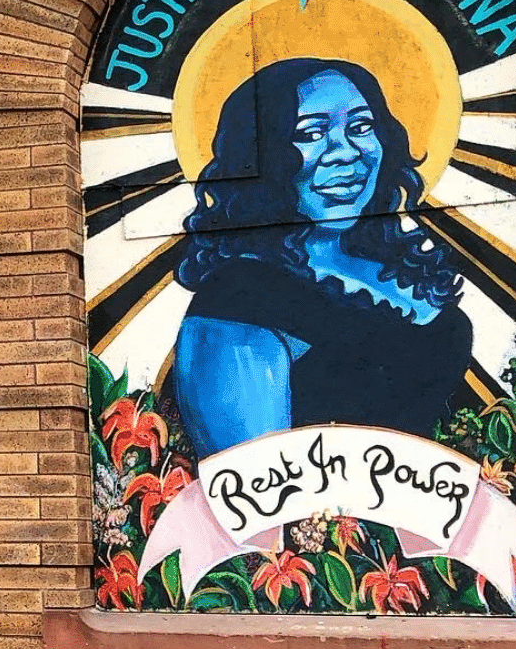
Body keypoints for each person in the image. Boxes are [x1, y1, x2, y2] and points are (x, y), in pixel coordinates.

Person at [172, 58, 471, 458]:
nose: (345, 152)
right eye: (310, 133)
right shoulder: (239, 300)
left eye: (362, 127)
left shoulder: (395, 267)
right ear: (261, 157)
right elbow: (252, 485)